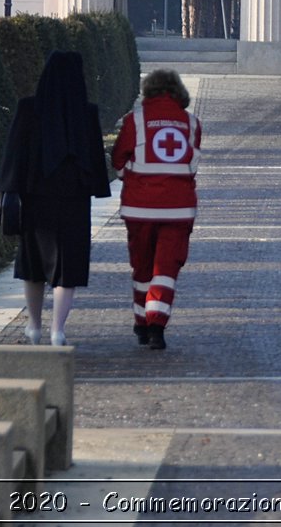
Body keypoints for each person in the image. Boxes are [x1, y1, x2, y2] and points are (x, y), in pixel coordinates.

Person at [0, 50, 111, 347]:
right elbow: (96, 161)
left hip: (35, 200)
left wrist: (8, 189)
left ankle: (34, 326)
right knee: (66, 268)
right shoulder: (86, 113)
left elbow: (13, 155)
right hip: (73, 202)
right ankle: (57, 330)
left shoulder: (28, 109)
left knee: (33, 265)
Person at [111, 69, 202, 351]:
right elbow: (191, 166)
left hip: (139, 209)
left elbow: (117, 161)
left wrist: (135, 178)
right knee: (165, 270)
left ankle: (142, 322)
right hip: (178, 210)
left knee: (142, 268)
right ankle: (155, 325)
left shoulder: (134, 121)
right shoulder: (191, 123)